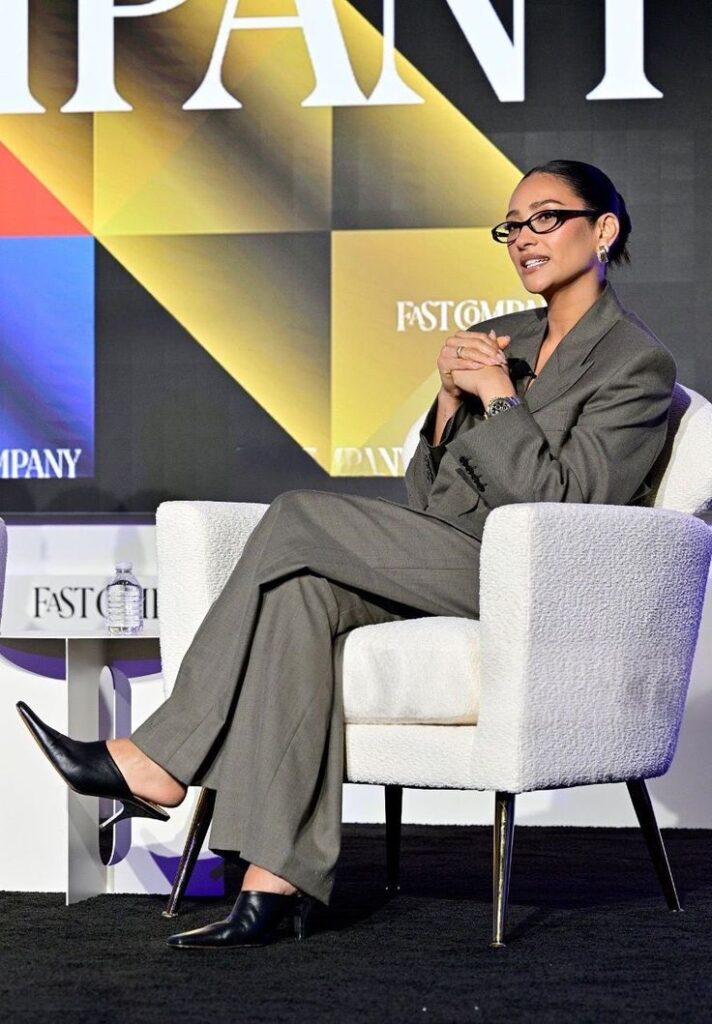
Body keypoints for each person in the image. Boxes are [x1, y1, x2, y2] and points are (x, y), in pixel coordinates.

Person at [17, 160, 677, 950]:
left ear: (603, 230)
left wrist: (499, 394)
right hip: (451, 546)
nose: (524, 239)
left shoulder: (635, 363)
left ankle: (160, 757)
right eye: (512, 225)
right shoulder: (513, 333)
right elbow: (431, 491)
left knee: (297, 516)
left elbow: (566, 503)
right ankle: (277, 883)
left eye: (546, 218)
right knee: (300, 593)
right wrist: (445, 403)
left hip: (532, 581)